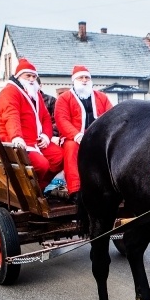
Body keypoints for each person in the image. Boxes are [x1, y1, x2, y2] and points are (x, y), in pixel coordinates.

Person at [0, 59, 63, 186]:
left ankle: (40, 188)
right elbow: (11, 115)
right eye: (28, 76)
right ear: (18, 76)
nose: (32, 79)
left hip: (36, 140)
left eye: (34, 76)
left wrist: (45, 136)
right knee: (41, 165)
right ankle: (29, 192)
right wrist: (16, 137)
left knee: (59, 158)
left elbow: (45, 118)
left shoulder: (35, 94)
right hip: (15, 140)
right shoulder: (10, 92)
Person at [54, 65, 112, 201]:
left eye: (87, 77)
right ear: (74, 80)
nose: (84, 80)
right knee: (71, 148)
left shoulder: (102, 97)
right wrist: (77, 135)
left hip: (98, 136)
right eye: (81, 77)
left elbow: (111, 115)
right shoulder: (64, 98)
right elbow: (61, 119)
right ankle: (75, 190)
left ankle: (110, 186)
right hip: (74, 137)